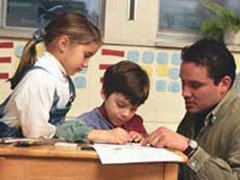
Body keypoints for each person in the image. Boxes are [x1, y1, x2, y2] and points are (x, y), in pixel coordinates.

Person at [0, 11, 133, 144]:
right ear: (63, 44)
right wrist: (93, 134)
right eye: (86, 55)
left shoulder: (62, 80)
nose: (86, 64)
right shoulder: (40, 79)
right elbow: (36, 133)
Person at [142, 39, 240, 179]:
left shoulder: (236, 120)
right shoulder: (195, 112)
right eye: (183, 83)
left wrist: (190, 149)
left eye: (195, 85)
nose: (185, 93)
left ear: (224, 84)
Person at [76, 61, 150, 142]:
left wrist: (141, 139)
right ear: (104, 93)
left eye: (133, 109)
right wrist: (104, 135)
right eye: (120, 105)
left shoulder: (136, 123)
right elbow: (64, 132)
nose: (126, 114)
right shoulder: (87, 122)